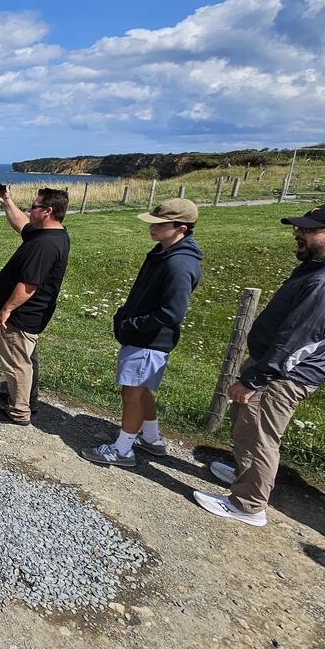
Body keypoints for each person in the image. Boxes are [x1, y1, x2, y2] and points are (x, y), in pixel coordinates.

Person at [194, 203, 325, 527]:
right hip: (273, 367)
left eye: (308, 229)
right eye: (299, 227)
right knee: (245, 424)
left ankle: (248, 505)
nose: (298, 233)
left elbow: (298, 341)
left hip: (281, 375)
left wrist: (254, 380)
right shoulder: (321, 267)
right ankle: (244, 474)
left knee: (260, 435)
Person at [80, 199, 203, 467]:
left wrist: (131, 324)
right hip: (144, 337)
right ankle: (151, 438)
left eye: (160, 225)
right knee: (142, 387)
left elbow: (172, 312)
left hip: (149, 340)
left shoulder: (179, 264)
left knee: (132, 392)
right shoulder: (164, 253)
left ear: (181, 228)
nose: (153, 228)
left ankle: (123, 450)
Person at [0, 187, 70, 425]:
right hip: (33, 314)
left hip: (23, 315)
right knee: (28, 359)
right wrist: (7, 201)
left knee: (17, 363)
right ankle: (26, 399)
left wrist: (7, 309)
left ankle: (19, 412)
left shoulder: (46, 245)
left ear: (47, 211)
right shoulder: (49, 234)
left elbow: (29, 285)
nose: (29, 210)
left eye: (34, 206)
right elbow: (21, 224)